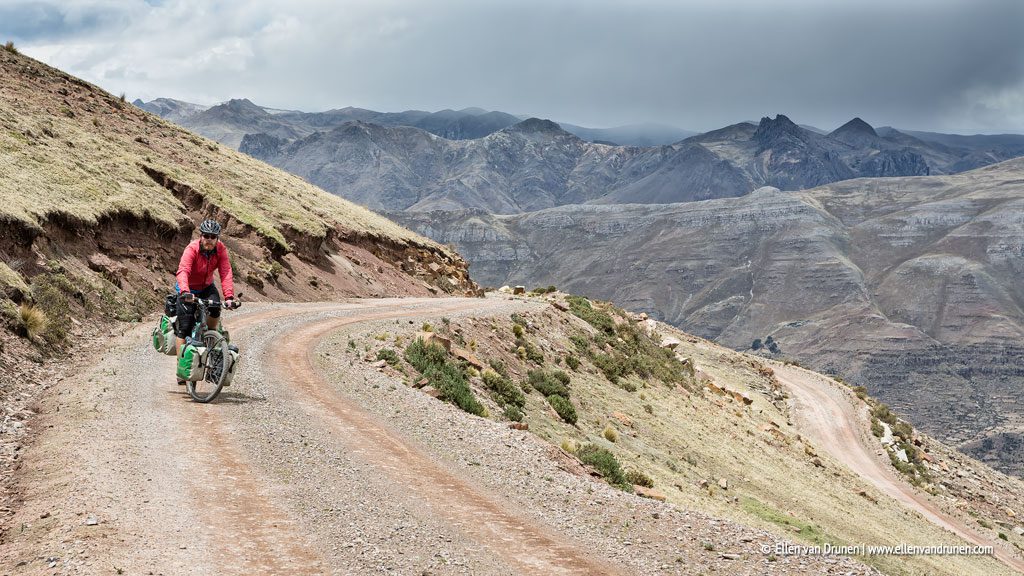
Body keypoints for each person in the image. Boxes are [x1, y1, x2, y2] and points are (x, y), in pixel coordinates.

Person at [173, 219, 236, 383]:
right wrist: (185, 292)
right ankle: (182, 368)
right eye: (206, 236)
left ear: (217, 238)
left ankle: (211, 335)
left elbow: (226, 271)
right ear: (201, 236)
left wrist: (229, 297)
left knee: (215, 308)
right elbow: (183, 271)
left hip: (207, 287)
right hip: (187, 289)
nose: (209, 239)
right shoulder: (192, 249)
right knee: (185, 328)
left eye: (213, 237)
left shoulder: (220, 250)